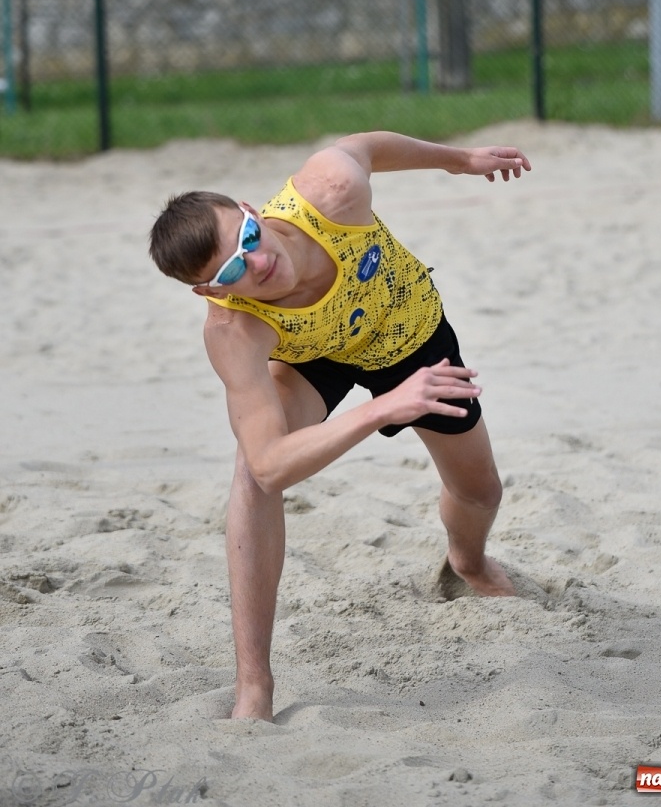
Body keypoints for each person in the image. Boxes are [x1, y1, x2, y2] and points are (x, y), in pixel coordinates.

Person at [149, 130, 531, 720]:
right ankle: (254, 685)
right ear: (209, 290)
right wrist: (382, 407)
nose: (257, 261)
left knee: (479, 490)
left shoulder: (330, 190)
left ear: (251, 211)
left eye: (248, 238)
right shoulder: (233, 329)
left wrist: (460, 160)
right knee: (252, 479)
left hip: (407, 329)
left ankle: (469, 561)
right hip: (310, 357)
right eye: (231, 271)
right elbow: (272, 464)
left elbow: (368, 145)